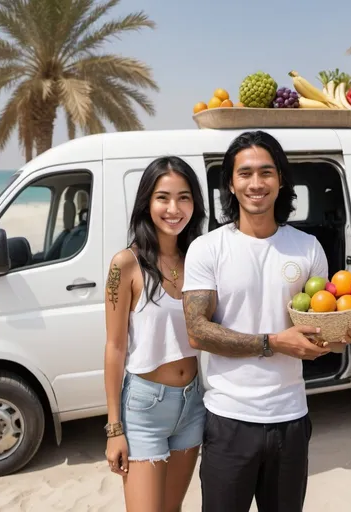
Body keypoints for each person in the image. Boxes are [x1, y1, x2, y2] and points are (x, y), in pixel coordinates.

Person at [182, 130, 351, 512]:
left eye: (266, 172)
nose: (256, 183)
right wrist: (272, 342)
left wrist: (348, 333)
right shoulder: (208, 248)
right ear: (231, 185)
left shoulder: (307, 248)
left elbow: (321, 340)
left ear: (281, 179)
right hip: (228, 420)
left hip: (291, 419)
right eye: (245, 173)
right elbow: (197, 332)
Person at [103, 156, 207, 512]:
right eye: (163, 197)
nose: (174, 208)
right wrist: (114, 428)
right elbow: (115, 347)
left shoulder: (200, 259)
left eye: (184, 197)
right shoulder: (125, 264)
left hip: (192, 404)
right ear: (147, 202)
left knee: (171, 509)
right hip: (144, 407)